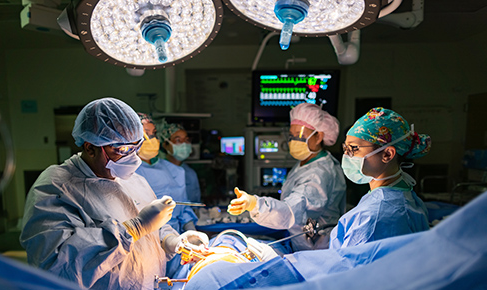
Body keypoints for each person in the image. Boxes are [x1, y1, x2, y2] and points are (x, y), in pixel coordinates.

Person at [20, 97, 208, 290]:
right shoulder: (57, 187)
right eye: (123, 150)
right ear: (90, 148)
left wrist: (172, 240)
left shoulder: (134, 180)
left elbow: (153, 227)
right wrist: (133, 228)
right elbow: (56, 269)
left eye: (136, 147)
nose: (132, 158)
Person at [228, 103, 347, 252]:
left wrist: (255, 203)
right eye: (291, 136)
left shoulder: (319, 173)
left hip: (317, 250)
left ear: (318, 137)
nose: (293, 141)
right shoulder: (307, 163)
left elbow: (294, 210)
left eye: (300, 136)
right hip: (303, 245)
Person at [331, 107, 432, 249]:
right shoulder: (406, 195)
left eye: (354, 149)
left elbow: (350, 267)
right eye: (345, 148)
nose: (347, 156)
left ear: (387, 154)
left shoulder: (373, 216)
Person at [135, 113, 198, 233]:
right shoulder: (127, 174)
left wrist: (192, 232)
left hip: (177, 241)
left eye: (154, 133)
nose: (152, 138)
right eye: (146, 134)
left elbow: (184, 210)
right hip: (146, 239)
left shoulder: (174, 170)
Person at [157, 119, 201, 203]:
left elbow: (195, 204)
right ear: (165, 145)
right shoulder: (157, 171)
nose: (184, 144)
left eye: (186, 140)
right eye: (178, 140)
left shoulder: (190, 173)